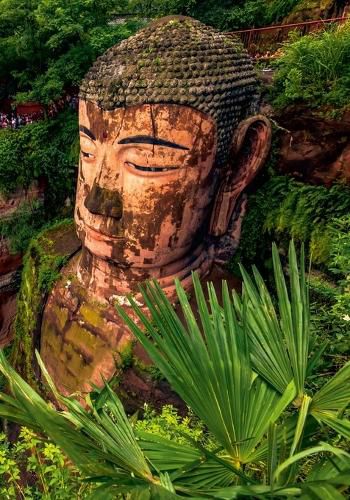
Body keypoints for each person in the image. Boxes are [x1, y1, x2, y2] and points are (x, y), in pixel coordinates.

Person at [40, 16, 271, 394]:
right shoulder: (49, 259)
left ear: (239, 163)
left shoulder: (227, 330)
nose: (98, 201)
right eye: (87, 151)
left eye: (147, 163)